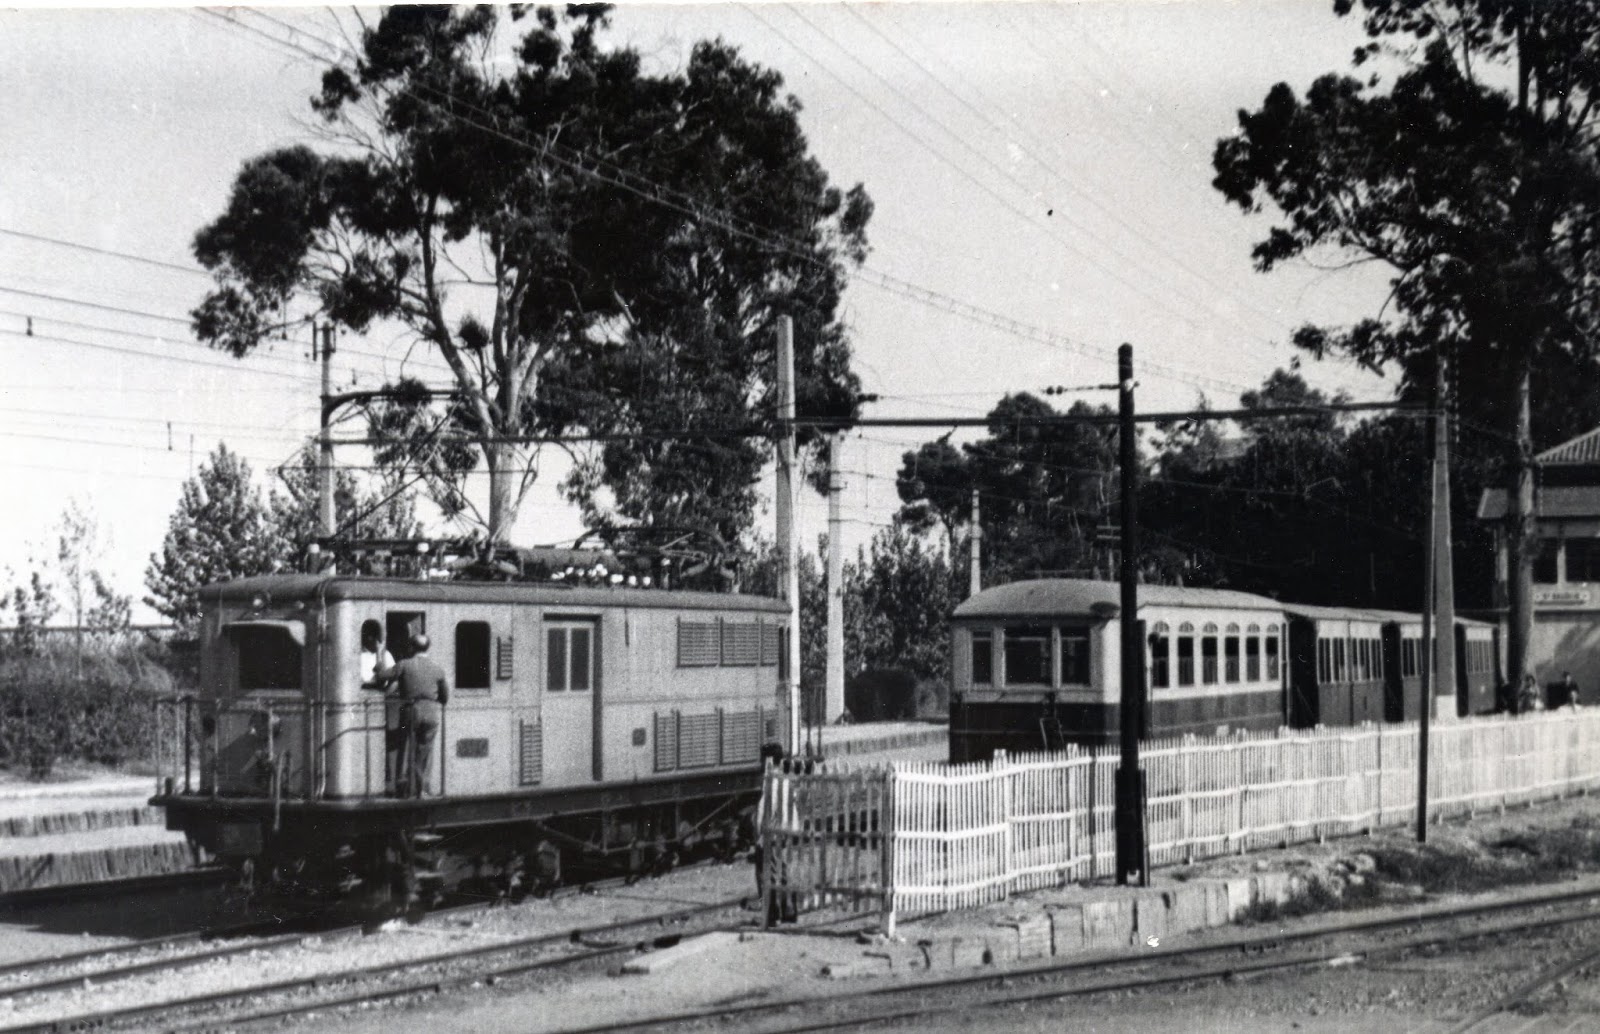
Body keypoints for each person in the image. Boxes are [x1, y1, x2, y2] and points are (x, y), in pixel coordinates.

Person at [377, 633, 450, 797]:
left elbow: (382, 675)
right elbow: (445, 697)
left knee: (405, 747)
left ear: (411, 647)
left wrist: (379, 655)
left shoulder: (404, 664)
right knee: (424, 752)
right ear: (427, 648)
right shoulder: (437, 669)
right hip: (431, 712)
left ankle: (403, 789)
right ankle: (421, 789)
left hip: (410, 710)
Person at [358, 621, 400, 792]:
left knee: (386, 738)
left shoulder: (386, 655)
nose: (373, 642)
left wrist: (386, 693)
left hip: (383, 696)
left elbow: (391, 677)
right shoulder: (358, 655)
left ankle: (387, 776)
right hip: (363, 695)